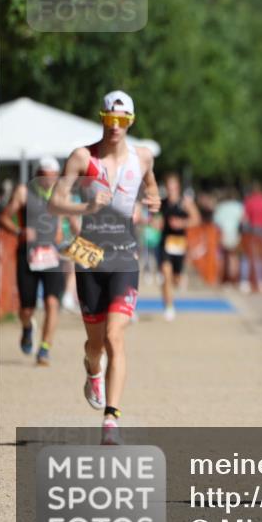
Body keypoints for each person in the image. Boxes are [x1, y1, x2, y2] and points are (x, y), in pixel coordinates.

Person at [48, 90, 161, 444]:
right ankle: (92, 369)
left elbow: (151, 185)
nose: (115, 126)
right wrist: (87, 208)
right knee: (95, 344)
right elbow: (55, 204)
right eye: (110, 119)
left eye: (122, 120)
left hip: (125, 257)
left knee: (115, 336)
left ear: (130, 122)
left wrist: (154, 198)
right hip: (90, 257)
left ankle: (111, 419)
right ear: (102, 118)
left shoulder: (143, 157)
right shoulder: (82, 158)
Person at [0, 156, 75, 366]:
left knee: (52, 302)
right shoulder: (24, 192)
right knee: (26, 310)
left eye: (52, 176)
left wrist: (80, 240)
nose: (48, 180)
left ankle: (44, 348)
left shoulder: (62, 193)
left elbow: (72, 220)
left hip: (53, 256)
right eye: (44, 176)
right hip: (28, 256)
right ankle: (27, 327)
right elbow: (4, 217)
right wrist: (20, 231)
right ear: (37, 174)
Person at [159, 173, 201, 321]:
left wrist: (182, 223)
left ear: (178, 188)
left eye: (174, 187)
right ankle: (169, 307)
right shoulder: (162, 203)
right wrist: (155, 223)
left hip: (179, 244)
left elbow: (196, 219)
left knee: (175, 279)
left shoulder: (185, 203)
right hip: (165, 243)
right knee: (166, 273)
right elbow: (154, 218)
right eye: (169, 187)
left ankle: (175, 282)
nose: (171, 190)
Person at [242, 182, 262, 293]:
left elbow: (245, 218)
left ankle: (251, 283)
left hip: (252, 232)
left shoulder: (249, 201)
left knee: (251, 258)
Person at [213, 188, 245, 287]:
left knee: (222, 257)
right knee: (233, 257)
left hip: (223, 235)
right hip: (235, 235)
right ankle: (233, 279)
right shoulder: (239, 207)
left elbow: (216, 223)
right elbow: (243, 221)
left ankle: (222, 279)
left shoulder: (221, 207)